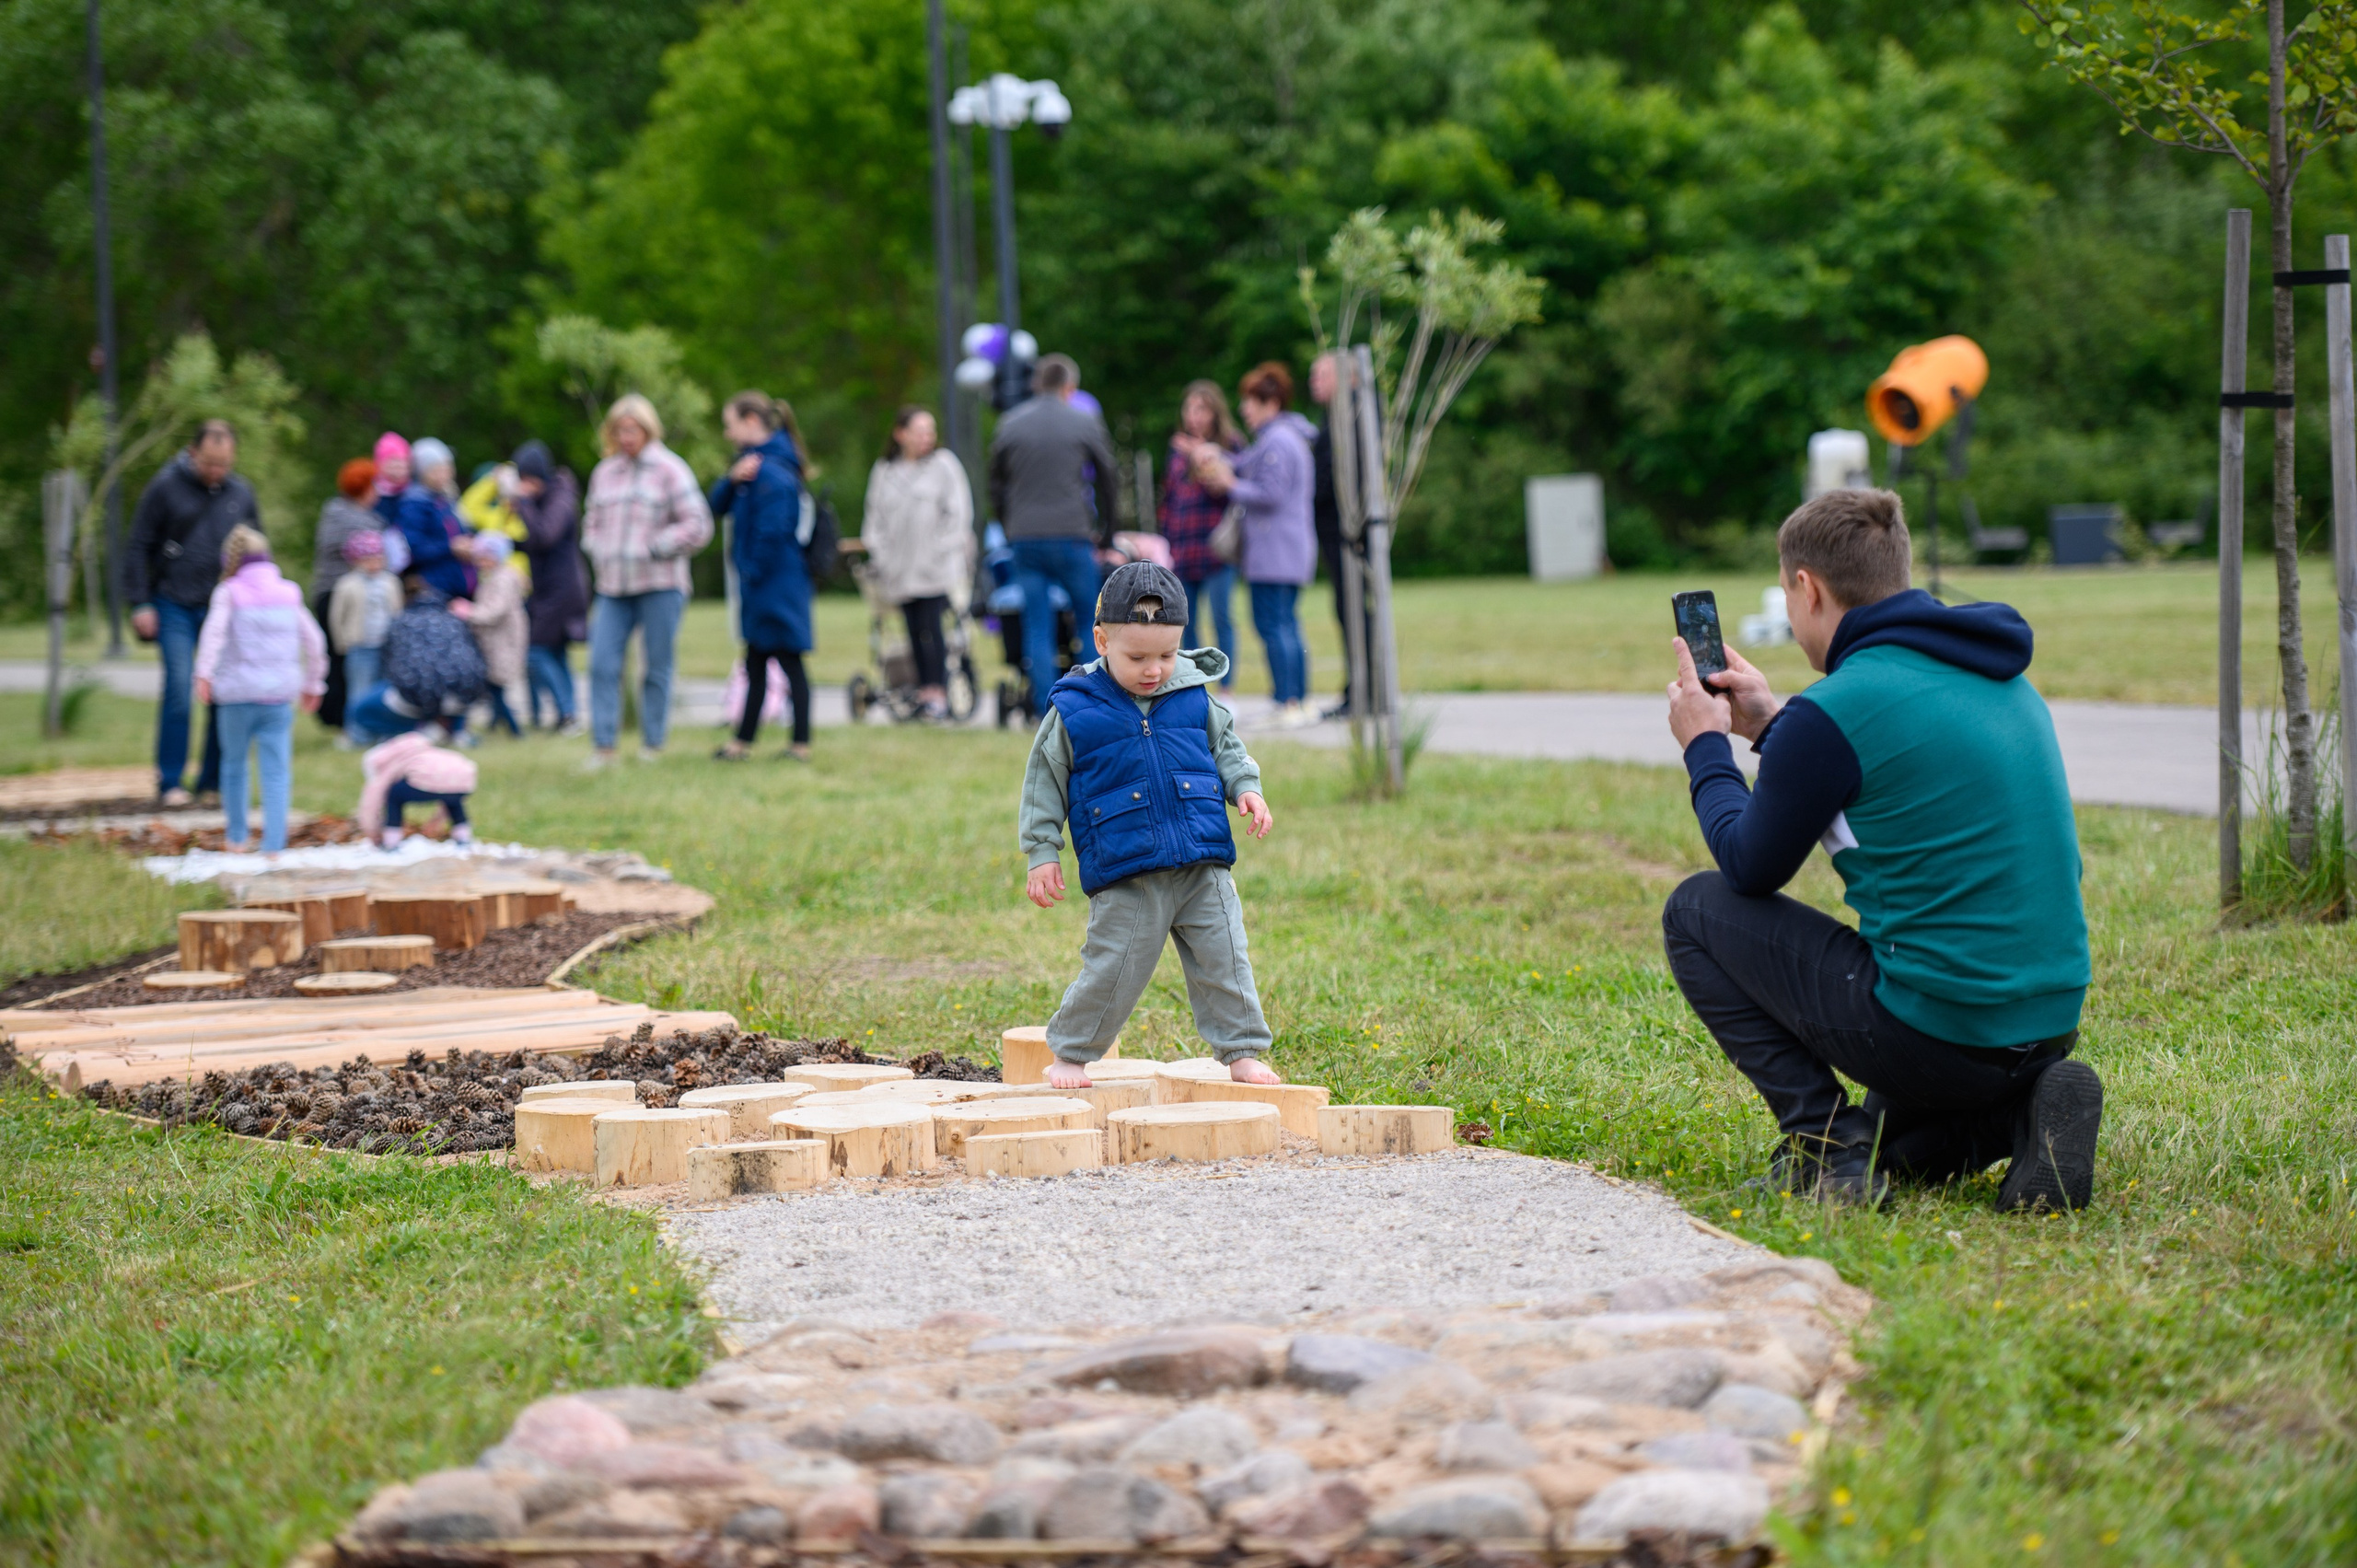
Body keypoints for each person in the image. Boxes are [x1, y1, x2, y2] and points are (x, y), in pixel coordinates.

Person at [1661, 487, 2101, 1212]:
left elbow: (1748, 864)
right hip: (2047, 1021)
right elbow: (1880, 770)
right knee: (1898, 1155)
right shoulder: (2002, 676)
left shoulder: (1836, 710)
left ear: (1808, 588)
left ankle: (1826, 1148)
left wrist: (1706, 744)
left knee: (1695, 910)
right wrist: (1773, 722)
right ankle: (2025, 1111)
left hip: (1939, 1028)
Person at [1020, 561, 1283, 1089]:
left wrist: (1246, 788)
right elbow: (1043, 781)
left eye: (1166, 654)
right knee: (1114, 970)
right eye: (1137, 656)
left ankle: (1243, 1051)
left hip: (1202, 859)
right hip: (1128, 869)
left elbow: (1225, 746)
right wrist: (1042, 851)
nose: (1154, 669)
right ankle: (1070, 1054)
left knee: (1226, 959)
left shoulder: (1192, 690)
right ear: (1101, 639)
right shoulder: (1075, 709)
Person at [122, 419, 255, 806]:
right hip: (173, 602)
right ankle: (170, 782)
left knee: (222, 691)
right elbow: (138, 545)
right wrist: (140, 602)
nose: (217, 471)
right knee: (181, 688)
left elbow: (255, 548)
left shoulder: (240, 493)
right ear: (193, 452)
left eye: (224, 464)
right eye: (210, 462)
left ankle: (212, 781)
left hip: (222, 606)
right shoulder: (165, 486)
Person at [581, 392, 714, 767]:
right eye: (620, 430)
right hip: (612, 585)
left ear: (648, 430)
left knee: (655, 666)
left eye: (633, 429)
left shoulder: (670, 469)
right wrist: (595, 545)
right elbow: (591, 519)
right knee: (602, 663)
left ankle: (652, 745)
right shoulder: (605, 472)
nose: (626, 437)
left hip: (660, 584)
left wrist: (659, 545)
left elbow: (699, 524)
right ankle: (604, 748)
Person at [989, 354, 1119, 708]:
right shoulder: (1083, 421)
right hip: (1072, 535)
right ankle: (1091, 704)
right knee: (1088, 623)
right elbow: (1108, 478)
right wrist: (1107, 533)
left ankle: (1047, 708)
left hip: (1025, 539)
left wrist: (1008, 526)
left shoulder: (1010, 424)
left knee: (1036, 624)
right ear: (1070, 387)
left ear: (1036, 384)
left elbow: (995, 485)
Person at [1192, 363, 1318, 726]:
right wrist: (1218, 458)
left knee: (1273, 625)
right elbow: (1247, 465)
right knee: (1286, 623)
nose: (1245, 409)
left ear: (1271, 402)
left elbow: (1270, 493)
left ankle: (1287, 702)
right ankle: (1298, 700)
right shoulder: (1281, 437)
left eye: (1251, 401)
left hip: (1275, 552)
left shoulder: (1277, 440)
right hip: (1288, 551)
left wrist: (1229, 485)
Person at [191, 526, 327, 854]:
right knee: (277, 771)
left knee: (234, 766)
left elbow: (214, 634)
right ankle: (274, 843)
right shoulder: (288, 592)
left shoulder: (229, 591)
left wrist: (204, 674)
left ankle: (237, 837)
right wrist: (313, 682)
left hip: (236, 695)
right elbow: (315, 640)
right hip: (278, 696)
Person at [709, 391, 815, 761]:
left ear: (751, 420)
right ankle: (743, 741)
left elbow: (775, 528)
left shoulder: (773, 471)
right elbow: (714, 506)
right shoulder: (750, 466)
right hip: (763, 583)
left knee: (789, 660)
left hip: (776, 582)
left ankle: (799, 744)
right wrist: (730, 479)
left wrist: (751, 570)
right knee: (756, 660)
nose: (728, 433)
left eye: (731, 424)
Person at [862, 405, 975, 719]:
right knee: (911, 629)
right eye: (919, 431)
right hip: (898, 570)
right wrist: (880, 554)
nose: (927, 438)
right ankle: (921, 689)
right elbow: (874, 520)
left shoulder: (944, 466)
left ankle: (937, 692)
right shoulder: (885, 470)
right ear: (901, 434)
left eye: (930, 431)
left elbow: (959, 514)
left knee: (932, 627)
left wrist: (940, 549)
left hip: (934, 568)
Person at [1158, 381, 1245, 699]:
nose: (1194, 416)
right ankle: (1193, 686)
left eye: (1202, 409)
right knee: (1185, 621)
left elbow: (1224, 492)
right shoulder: (1176, 451)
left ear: (1215, 412)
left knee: (1223, 617)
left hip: (1216, 549)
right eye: (1190, 409)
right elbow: (1170, 496)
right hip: (1184, 548)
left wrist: (1202, 455)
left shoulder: (1231, 446)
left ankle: (1227, 687)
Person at [345, 577, 487, 745]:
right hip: (465, 692)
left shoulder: (402, 621)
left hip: (418, 697)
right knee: (458, 680)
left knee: (360, 709)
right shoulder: (454, 620)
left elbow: (390, 661)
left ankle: (415, 732)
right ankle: (456, 732)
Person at [512, 439, 586, 733]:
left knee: (536, 651)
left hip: (563, 589)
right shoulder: (548, 497)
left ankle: (567, 713)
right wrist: (505, 545)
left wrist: (524, 503)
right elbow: (534, 543)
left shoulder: (561, 497)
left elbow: (545, 536)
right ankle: (570, 716)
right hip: (549, 587)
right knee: (555, 652)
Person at [1306, 353, 1358, 720]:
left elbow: (1332, 477)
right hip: (1337, 533)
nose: (1314, 381)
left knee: (1354, 611)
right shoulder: (1336, 418)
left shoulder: (1348, 419)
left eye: (1322, 374)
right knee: (1347, 610)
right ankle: (1358, 690)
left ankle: (1361, 693)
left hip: (1347, 535)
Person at [310, 459, 379, 734]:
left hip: (336, 595)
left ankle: (338, 715)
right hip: (341, 597)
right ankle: (339, 716)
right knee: (342, 658)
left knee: (338, 657)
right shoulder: (350, 517)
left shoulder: (336, 512)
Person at [373, 433, 474, 601]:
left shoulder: (446, 499)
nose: (445, 474)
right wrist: (451, 547)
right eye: (437, 469)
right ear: (423, 472)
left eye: (447, 467)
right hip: (434, 590)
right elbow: (413, 548)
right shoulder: (414, 503)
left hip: (458, 587)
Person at [328, 529, 403, 747]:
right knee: (359, 691)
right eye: (367, 559)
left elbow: (397, 611)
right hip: (360, 646)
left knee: (386, 691)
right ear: (356, 561)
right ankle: (357, 734)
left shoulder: (390, 582)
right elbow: (337, 617)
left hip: (387, 645)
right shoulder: (347, 584)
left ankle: (385, 732)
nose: (373, 564)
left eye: (378, 559)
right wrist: (342, 642)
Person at [455, 532, 528, 737]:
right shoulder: (495, 577)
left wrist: (468, 612)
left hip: (502, 640)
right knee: (494, 686)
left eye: (485, 557)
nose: (480, 562)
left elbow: (495, 611)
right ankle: (497, 724)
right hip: (496, 639)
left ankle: (515, 730)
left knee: (495, 685)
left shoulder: (502, 579)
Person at [358, 730, 479, 852]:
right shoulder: (431, 753)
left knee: (394, 795)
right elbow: (450, 791)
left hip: (428, 783)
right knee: (453, 800)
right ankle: (463, 838)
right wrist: (438, 821)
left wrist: (372, 832)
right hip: (465, 779)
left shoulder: (394, 760)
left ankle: (391, 841)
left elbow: (372, 799)